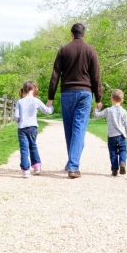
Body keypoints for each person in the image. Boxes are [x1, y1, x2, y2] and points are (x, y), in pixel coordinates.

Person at [47, 23, 103, 179]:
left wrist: (50, 97)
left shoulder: (63, 50)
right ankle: (73, 166)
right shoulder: (91, 51)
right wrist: (99, 97)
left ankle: (72, 162)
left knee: (70, 130)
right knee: (79, 129)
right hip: (85, 94)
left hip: (67, 93)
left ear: (71, 34)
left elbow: (55, 75)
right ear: (83, 35)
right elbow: (96, 77)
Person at [13, 80, 54, 178]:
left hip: (22, 128)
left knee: (24, 149)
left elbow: (16, 117)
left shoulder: (19, 101)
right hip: (33, 127)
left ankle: (26, 170)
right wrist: (51, 107)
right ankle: (36, 167)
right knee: (33, 146)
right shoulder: (36, 100)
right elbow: (47, 111)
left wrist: (19, 120)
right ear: (32, 89)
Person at [94, 89, 127, 176]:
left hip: (111, 136)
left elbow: (96, 115)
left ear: (111, 99)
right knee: (123, 150)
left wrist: (97, 108)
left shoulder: (108, 110)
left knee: (113, 153)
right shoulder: (124, 111)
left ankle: (114, 170)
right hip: (121, 136)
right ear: (122, 100)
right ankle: (122, 163)